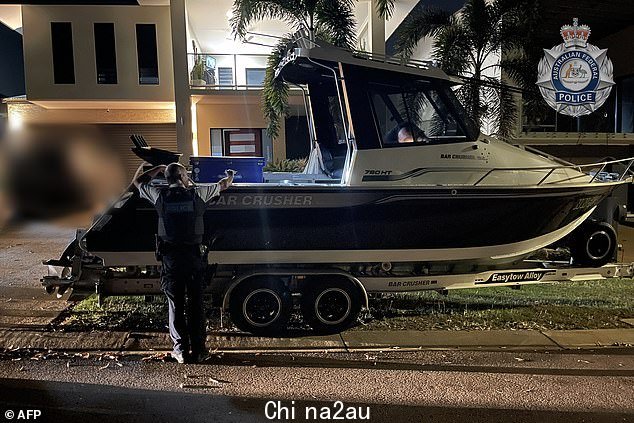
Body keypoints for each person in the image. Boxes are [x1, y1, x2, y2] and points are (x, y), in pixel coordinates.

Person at [133, 162, 234, 363]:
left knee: (175, 305)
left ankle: (179, 350)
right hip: (194, 259)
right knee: (196, 304)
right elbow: (224, 184)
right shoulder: (198, 195)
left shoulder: (160, 196)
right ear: (181, 178)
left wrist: (155, 168)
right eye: (186, 175)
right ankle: (199, 350)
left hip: (171, 259)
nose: (189, 178)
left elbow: (137, 182)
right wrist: (230, 174)